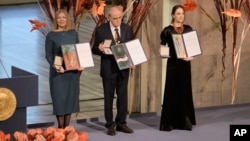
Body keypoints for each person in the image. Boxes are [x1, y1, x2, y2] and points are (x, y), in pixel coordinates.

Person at [92, 6, 134, 136]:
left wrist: (133, 61)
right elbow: (93, 49)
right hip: (109, 69)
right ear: (109, 17)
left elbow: (132, 46)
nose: (118, 21)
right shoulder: (101, 30)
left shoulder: (127, 28)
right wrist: (99, 48)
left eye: (120, 18)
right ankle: (110, 125)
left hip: (123, 68)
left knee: (123, 97)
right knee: (109, 97)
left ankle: (121, 123)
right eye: (115, 18)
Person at [159, 5, 196, 131]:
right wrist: (164, 54)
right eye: (178, 13)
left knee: (184, 92)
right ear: (173, 15)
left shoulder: (189, 29)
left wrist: (191, 56)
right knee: (172, 92)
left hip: (185, 66)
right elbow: (163, 47)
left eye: (182, 13)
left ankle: (185, 121)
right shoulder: (167, 31)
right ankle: (169, 122)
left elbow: (193, 47)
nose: (181, 16)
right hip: (173, 66)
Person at [45, 9, 84, 128]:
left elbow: (77, 51)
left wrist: (81, 64)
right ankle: (60, 128)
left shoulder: (73, 33)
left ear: (67, 19)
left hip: (71, 73)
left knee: (69, 100)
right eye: (59, 18)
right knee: (59, 100)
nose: (61, 19)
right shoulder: (51, 35)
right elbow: (49, 55)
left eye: (64, 17)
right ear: (56, 20)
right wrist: (57, 66)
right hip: (58, 74)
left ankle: (67, 128)